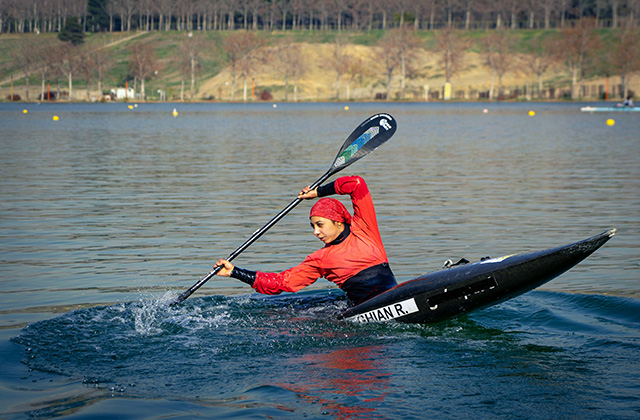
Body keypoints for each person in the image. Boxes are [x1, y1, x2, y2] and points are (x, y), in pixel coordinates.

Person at [213, 175, 397, 305]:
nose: (316, 232)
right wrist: (235, 272)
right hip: (362, 307)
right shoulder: (320, 259)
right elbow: (282, 283)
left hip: (395, 294)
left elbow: (356, 184)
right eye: (313, 227)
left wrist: (317, 192)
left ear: (339, 222)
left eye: (320, 224)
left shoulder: (365, 229)